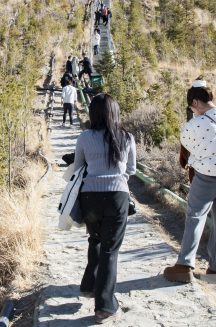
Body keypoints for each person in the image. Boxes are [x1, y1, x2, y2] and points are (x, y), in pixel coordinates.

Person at [163, 77, 216, 285]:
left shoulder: (196, 123)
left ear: (195, 102)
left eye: (192, 107)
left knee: (195, 217)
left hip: (206, 176)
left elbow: (189, 149)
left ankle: (185, 264)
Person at [73, 94, 136, 323]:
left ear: (93, 114)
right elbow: (131, 169)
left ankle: (90, 285)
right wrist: (116, 179)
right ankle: (105, 307)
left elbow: (78, 168)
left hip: (89, 196)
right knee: (110, 250)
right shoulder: (126, 137)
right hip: (117, 196)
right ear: (115, 112)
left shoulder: (84, 137)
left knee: (95, 240)